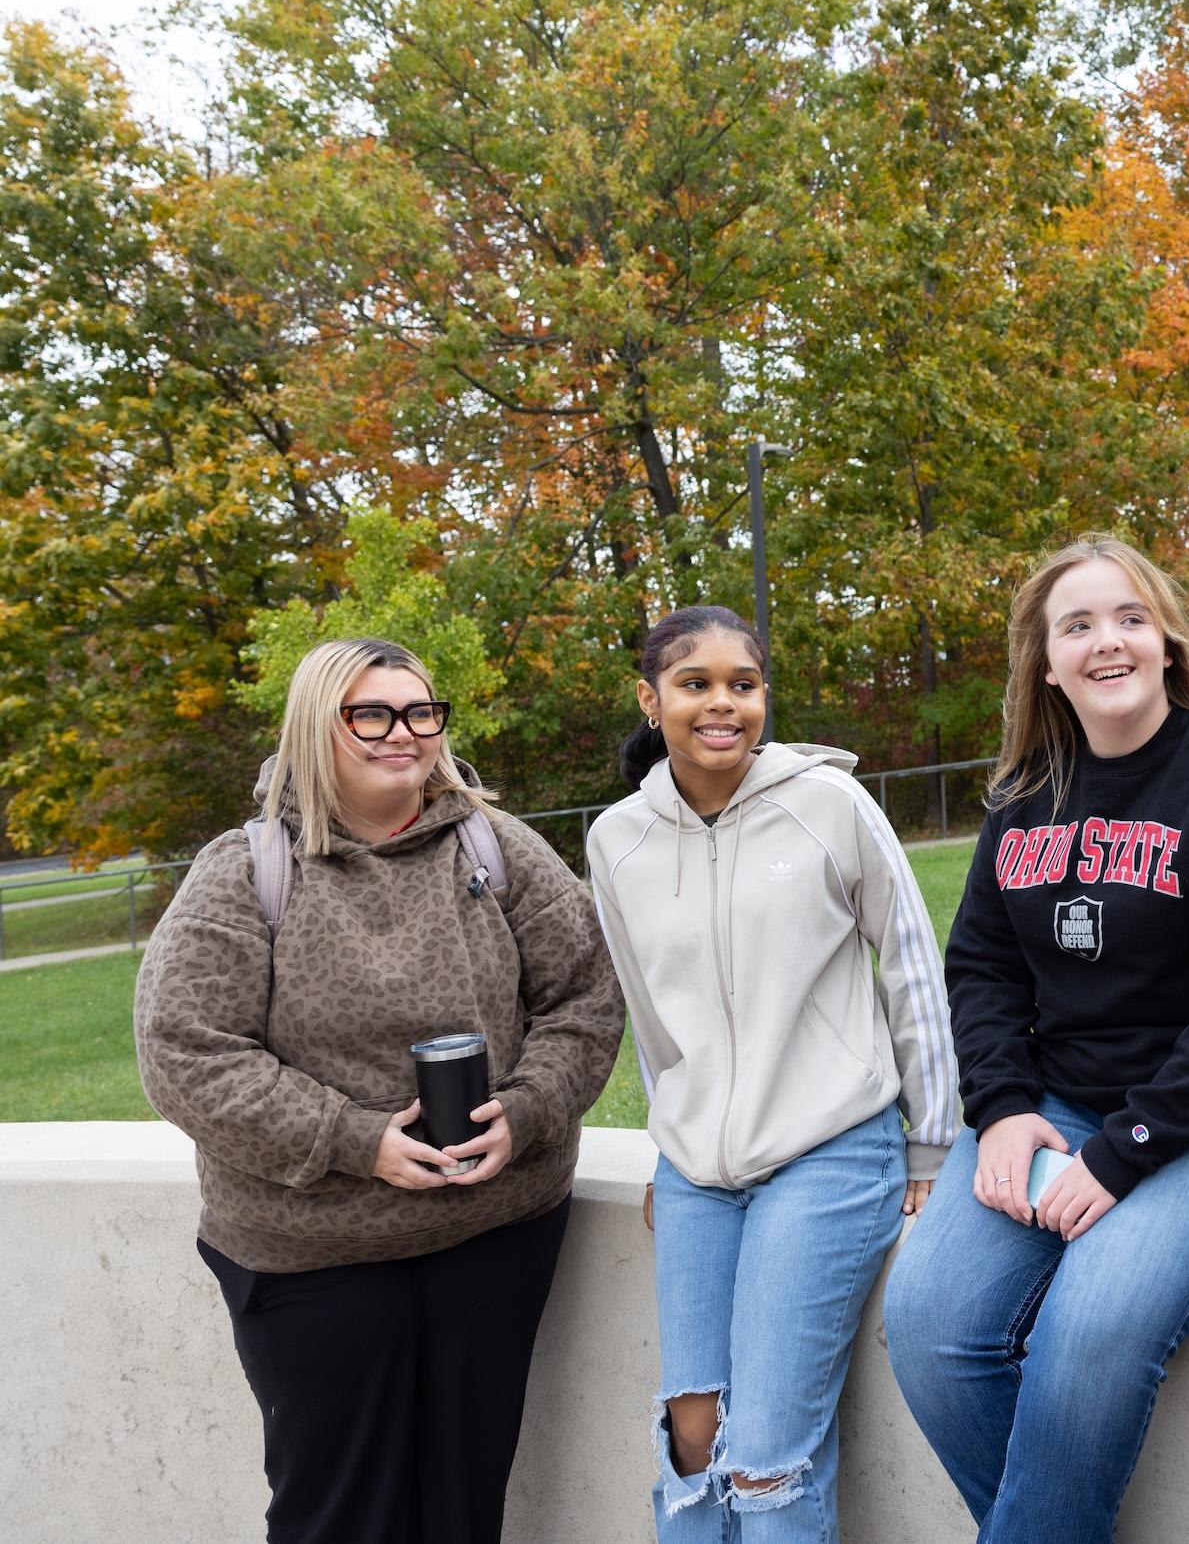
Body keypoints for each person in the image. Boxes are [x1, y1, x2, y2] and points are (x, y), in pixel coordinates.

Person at [882, 534, 1189, 1544]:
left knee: (1087, 1331)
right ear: (1045, 661)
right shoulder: (1024, 798)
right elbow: (985, 970)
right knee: (926, 1323)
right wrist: (1001, 1110)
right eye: (1077, 624)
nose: (1108, 640)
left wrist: (1124, 1149)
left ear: (1167, 638)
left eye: (1130, 616)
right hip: (1060, 1102)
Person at [134, 637, 625, 1544]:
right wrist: (356, 1140)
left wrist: (528, 1110)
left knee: (462, 1507)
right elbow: (186, 1050)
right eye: (372, 713)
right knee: (338, 1514)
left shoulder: (494, 845)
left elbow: (585, 998)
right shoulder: (247, 870)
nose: (404, 733)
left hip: (492, 1234)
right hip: (314, 1256)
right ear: (317, 728)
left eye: (420, 712)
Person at [584, 604, 958, 1541]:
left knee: (766, 1456)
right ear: (649, 696)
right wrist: (666, 1144)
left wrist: (932, 1143)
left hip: (829, 1150)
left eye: (742, 685)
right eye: (695, 683)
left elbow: (911, 962)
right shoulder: (616, 840)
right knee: (693, 1434)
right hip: (699, 1173)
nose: (723, 705)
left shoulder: (829, 803)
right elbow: (651, 1015)